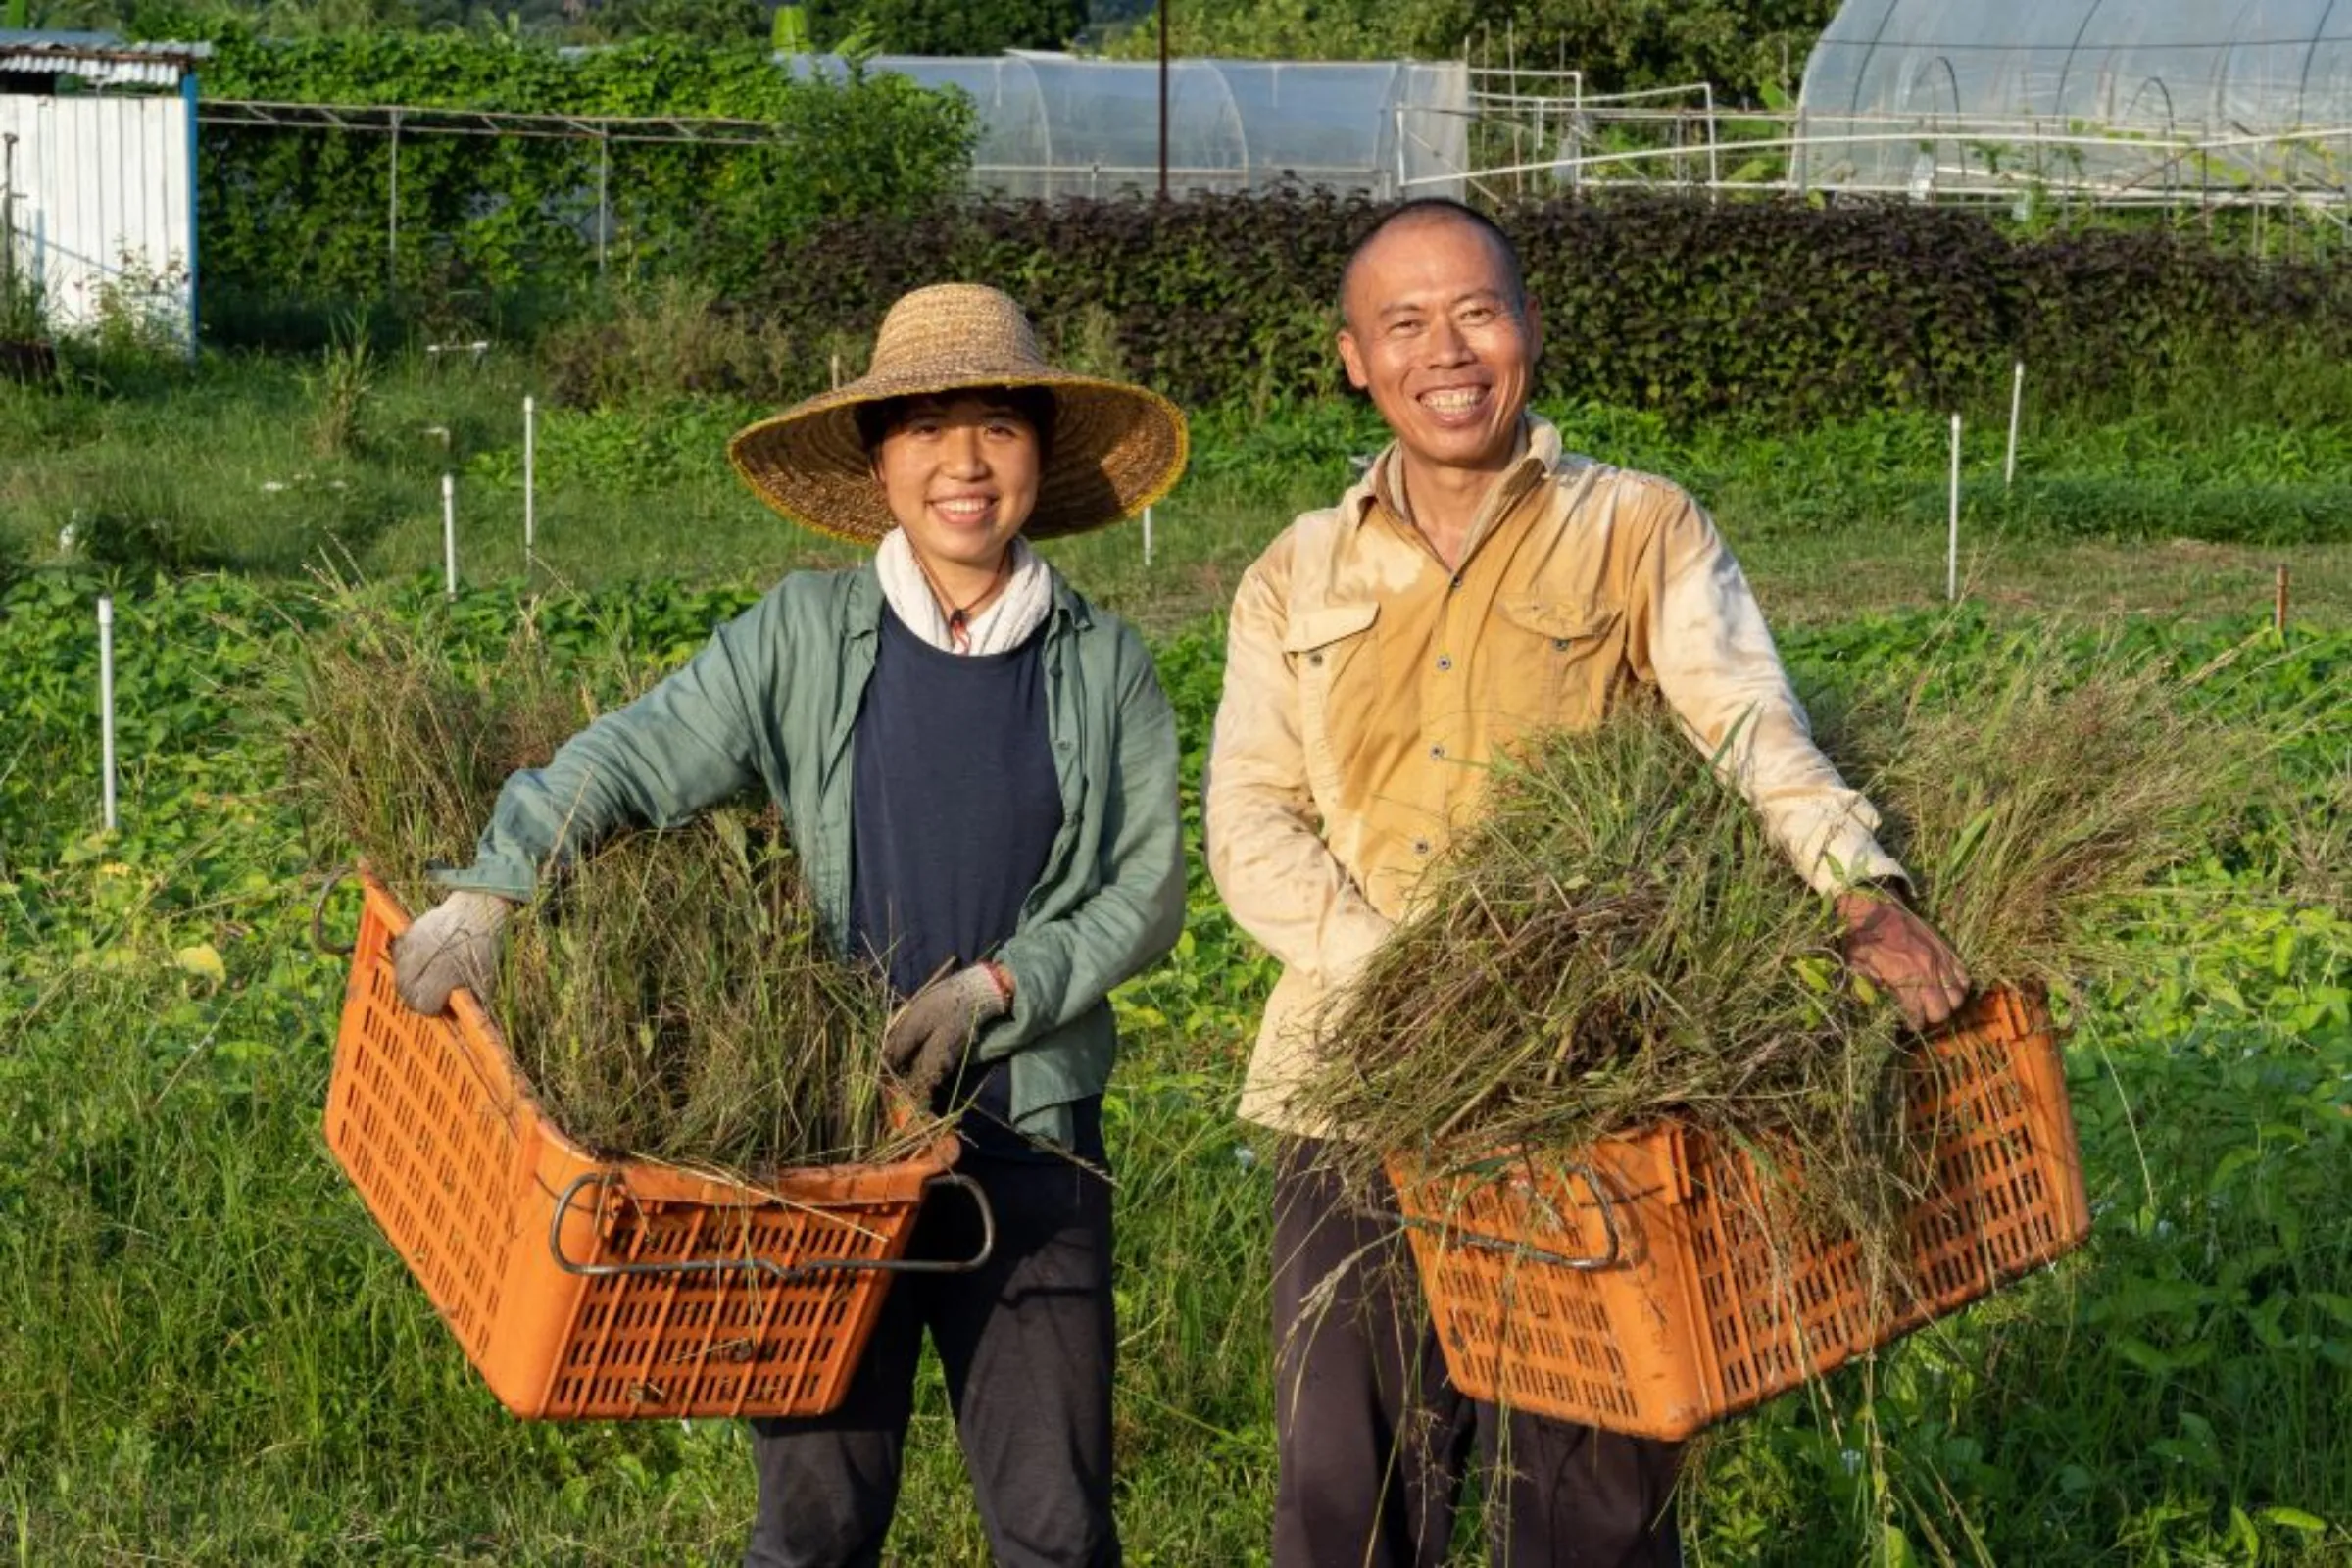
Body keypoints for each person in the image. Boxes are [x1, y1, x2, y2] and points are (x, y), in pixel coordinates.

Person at [1202, 199, 1970, 1567]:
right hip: (1347, 1084)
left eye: (1478, 312)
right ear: (1354, 361)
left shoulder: (1638, 526)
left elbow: (1751, 729)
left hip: (1591, 1081)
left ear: (1531, 330)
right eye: (1405, 324)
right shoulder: (1291, 572)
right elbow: (1250, 824)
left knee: (1593, 1497)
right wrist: (1420, 986)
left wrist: (1863, 889)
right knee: (1347, 1487)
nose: (1448, 350)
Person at [389, 282, 1190, 1568]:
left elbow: (1142, 891)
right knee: (815, 1521)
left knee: (1053, 1521)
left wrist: (995, 987)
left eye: (996, 425)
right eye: (926, 428)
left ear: (1043, 453)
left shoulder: (1106, 664)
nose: (963, 463)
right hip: (831, 1150)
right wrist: (499, 880)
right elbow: (640, 756)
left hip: (1028, 1137)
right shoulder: (802, 636)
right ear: (880, 463)